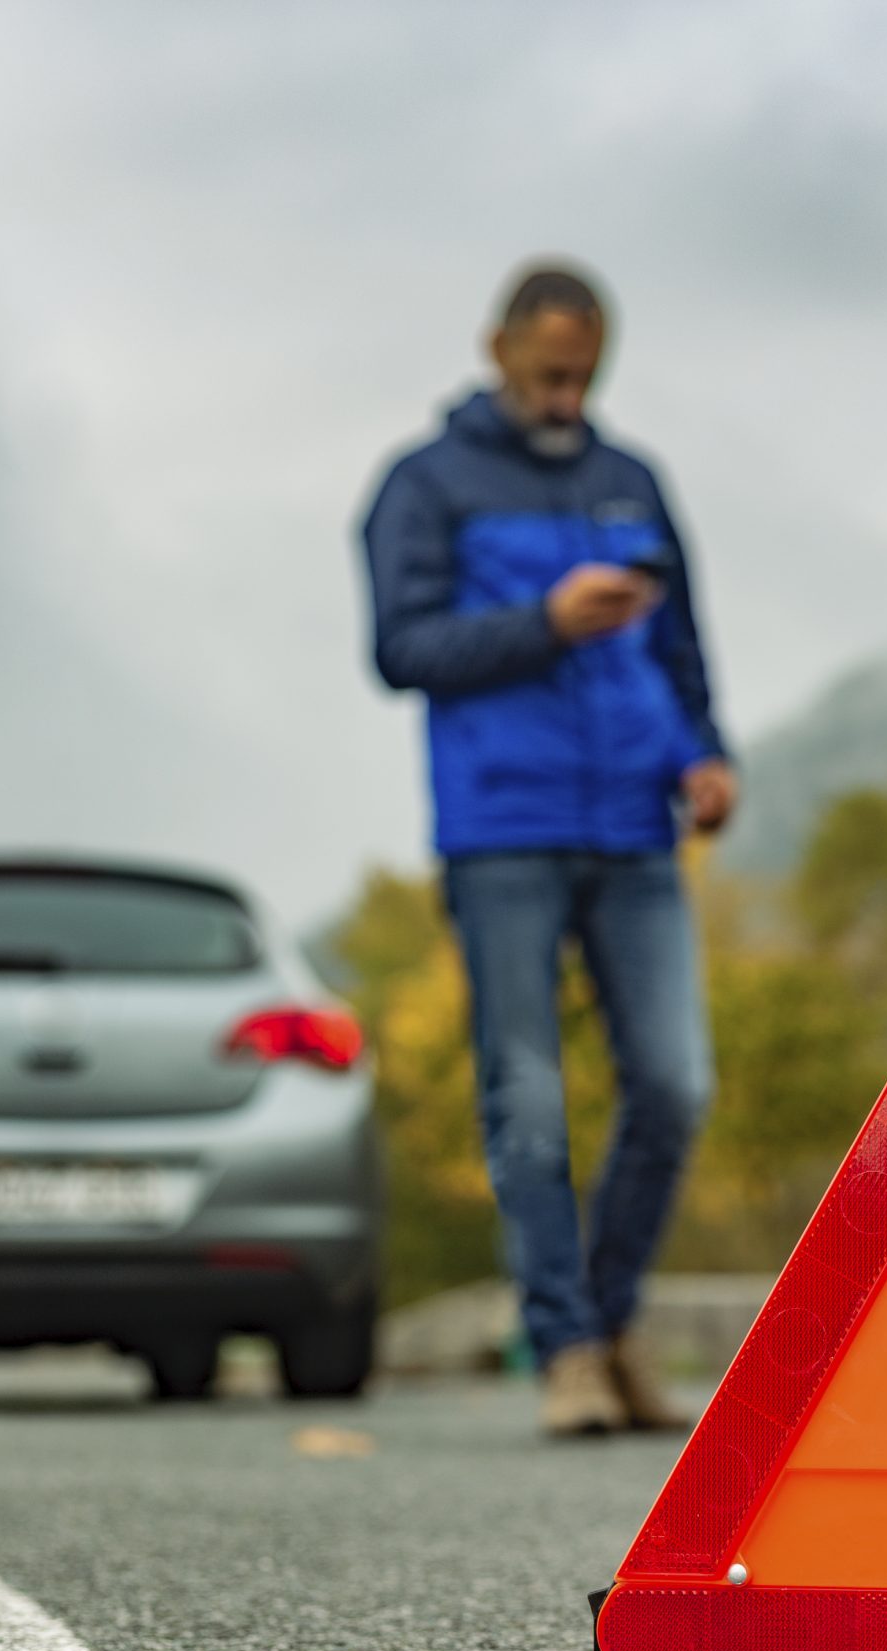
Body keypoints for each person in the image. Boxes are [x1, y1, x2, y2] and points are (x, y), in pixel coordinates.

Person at [358, 262, 734, 1437]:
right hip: (501, 827)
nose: (569, 397)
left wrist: (705, 753)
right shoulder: (423, 485)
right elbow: (401, 650)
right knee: (525, 1095)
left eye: (586, 377)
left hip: (634, 823)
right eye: (552, 374)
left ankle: (608, 1323)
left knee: (675, 1084)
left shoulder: (632, 482)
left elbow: (680, 643)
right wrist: (544, 624)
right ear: (500, 350)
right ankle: (565, 1347)